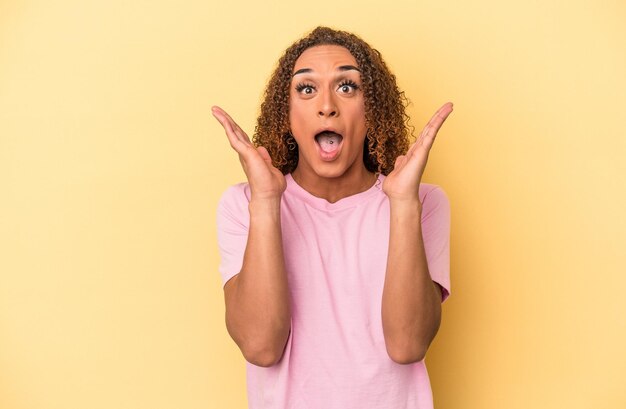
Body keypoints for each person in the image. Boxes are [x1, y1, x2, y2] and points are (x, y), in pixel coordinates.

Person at [213, 26, 453, 409]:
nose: (327, 105)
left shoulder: (424, 202)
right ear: (287, 116)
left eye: (347, 87)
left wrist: (404, 203)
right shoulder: (243, 204)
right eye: (306, 89)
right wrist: (266, 201)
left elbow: (408, 345)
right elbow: (260, 346)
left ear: (372, 109)